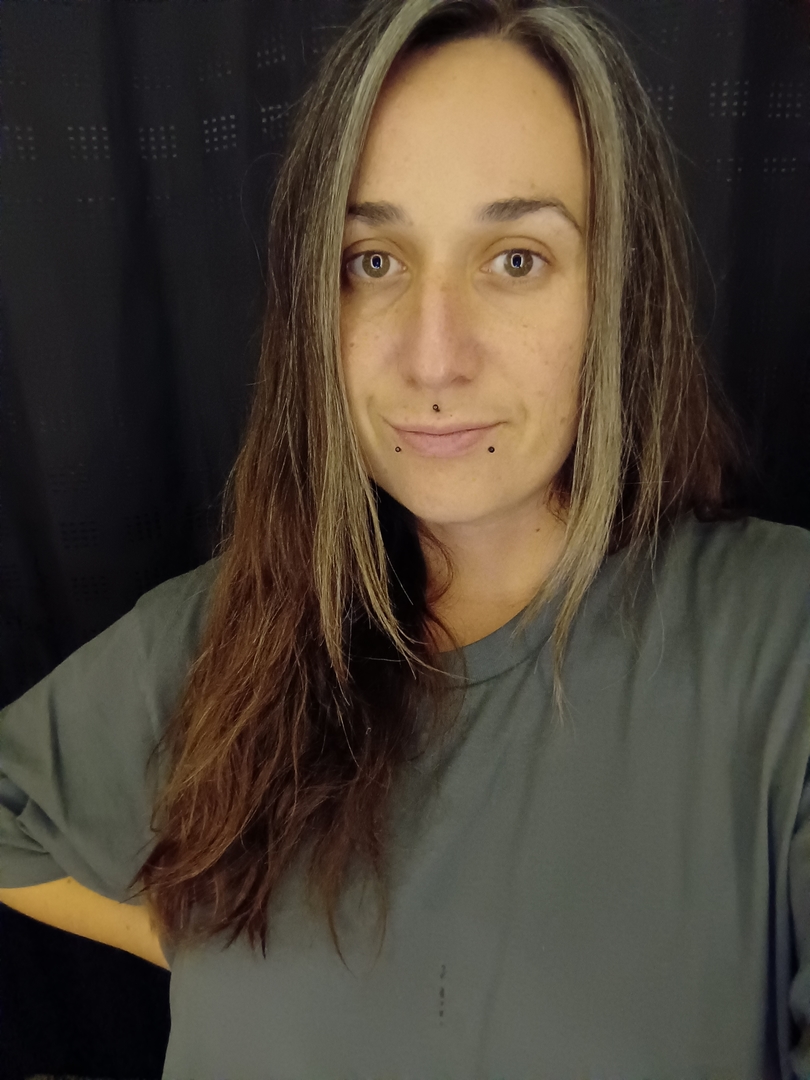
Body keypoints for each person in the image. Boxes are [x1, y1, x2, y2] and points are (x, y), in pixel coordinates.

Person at [1, 0, 809, 1077]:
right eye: (373, 261)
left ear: (624, 291)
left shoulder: (783, 647)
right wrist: (212, 950)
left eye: (515, 260)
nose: (433, 357)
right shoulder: (222, 635)